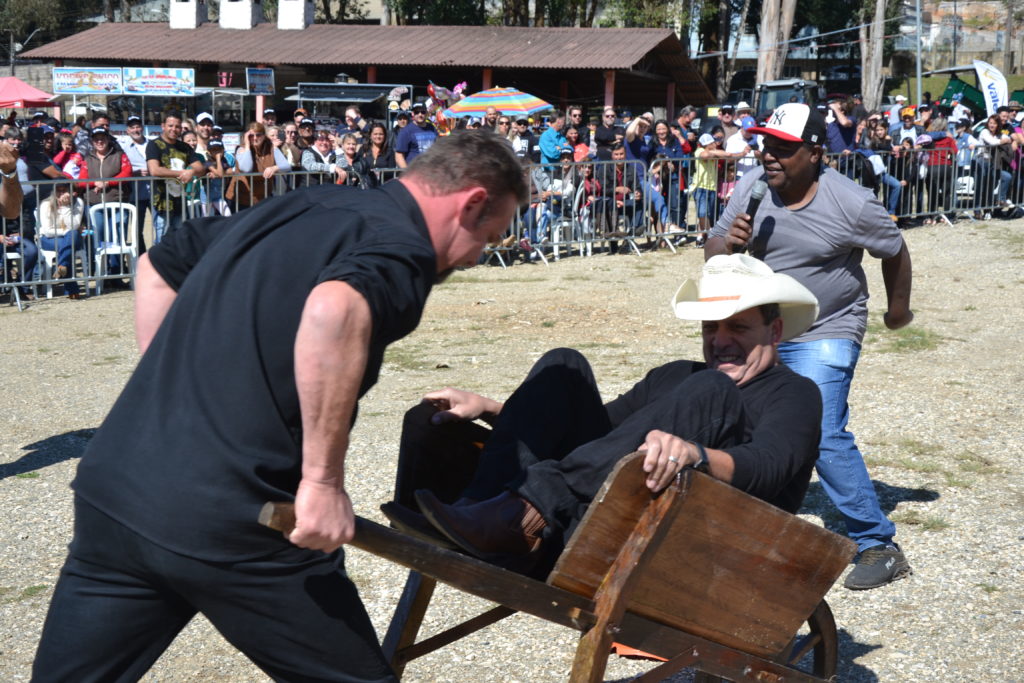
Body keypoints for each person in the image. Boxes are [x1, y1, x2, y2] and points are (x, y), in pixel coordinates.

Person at [32, 130, 527, 682]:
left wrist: (174, 396)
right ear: (472, 202)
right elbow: (335, 311)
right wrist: (322, 483)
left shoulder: (305, 203)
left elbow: (159, 265)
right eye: (491, 237)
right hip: (236, 519)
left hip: (117, 488)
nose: (478, 256)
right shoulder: (401, 246)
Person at [387, 254, 821, 576]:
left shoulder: (795, 394)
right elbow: (599, 440)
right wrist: (492, 408)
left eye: (738, 327)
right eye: (711, 327)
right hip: (597, 519)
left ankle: (524, 515)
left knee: (712, 387)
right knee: (565, 364)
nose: (720, 341)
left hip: (691, 547)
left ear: (775, 331)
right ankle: (479, 510)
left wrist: (695, 454)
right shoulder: (676, 376)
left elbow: (767, 466)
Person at [705, 103, 915, 590]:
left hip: (829, 324)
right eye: (765, 144)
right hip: (766, 329)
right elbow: (712, 246)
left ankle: (877, 542)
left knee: (820, 427)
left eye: (783, 147)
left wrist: (897, 311)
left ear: (816, 153)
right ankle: (742, 523)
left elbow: (894, 250)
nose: (769, 155)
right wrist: (727, 245)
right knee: (741, 417)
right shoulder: (752, 187)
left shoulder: (852, 202)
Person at [146, 111, 205, 243]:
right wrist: (181, 173)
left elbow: (200, 169)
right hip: (161, 202)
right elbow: (154, 170)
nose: (174, 129)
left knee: (179, 240)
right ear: (163, 126)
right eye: (170, 125)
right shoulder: (154, 145)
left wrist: (191, 172)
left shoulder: (184, 147)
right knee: (161, 240)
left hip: (180, 201)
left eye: (177, 126)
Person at [37, 183, 86, 299]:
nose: (61, 194)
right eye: (58, 191)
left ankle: (61, 266)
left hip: (72, 238)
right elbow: (48, 231)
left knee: (71, 238)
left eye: (64, 191)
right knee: (69, 242)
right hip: (49, 239)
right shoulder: (46, 204)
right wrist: (66, 231)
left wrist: (66, 207)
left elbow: (74, 225)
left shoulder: (78, 202)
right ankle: (71, 289)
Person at [229, 121, 290, 209]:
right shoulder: (241, 149)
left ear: (264, 136)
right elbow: (246, 169)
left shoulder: (271, 147)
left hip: (263, 198)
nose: (255, 138)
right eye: (251, 135)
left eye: (258, 135)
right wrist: (247, 145)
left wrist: (274, 168)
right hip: (241, 199)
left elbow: (286, 166)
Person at [394, 103, 438, 168]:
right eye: (417, 112)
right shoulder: (406, 131)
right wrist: (406, 171)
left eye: (423, 112)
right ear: (412, 114)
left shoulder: (432, 128)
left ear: (426, 113)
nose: (420, 114)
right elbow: (399, 155)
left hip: (431, 169)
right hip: (414, 170)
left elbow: (438, 147)